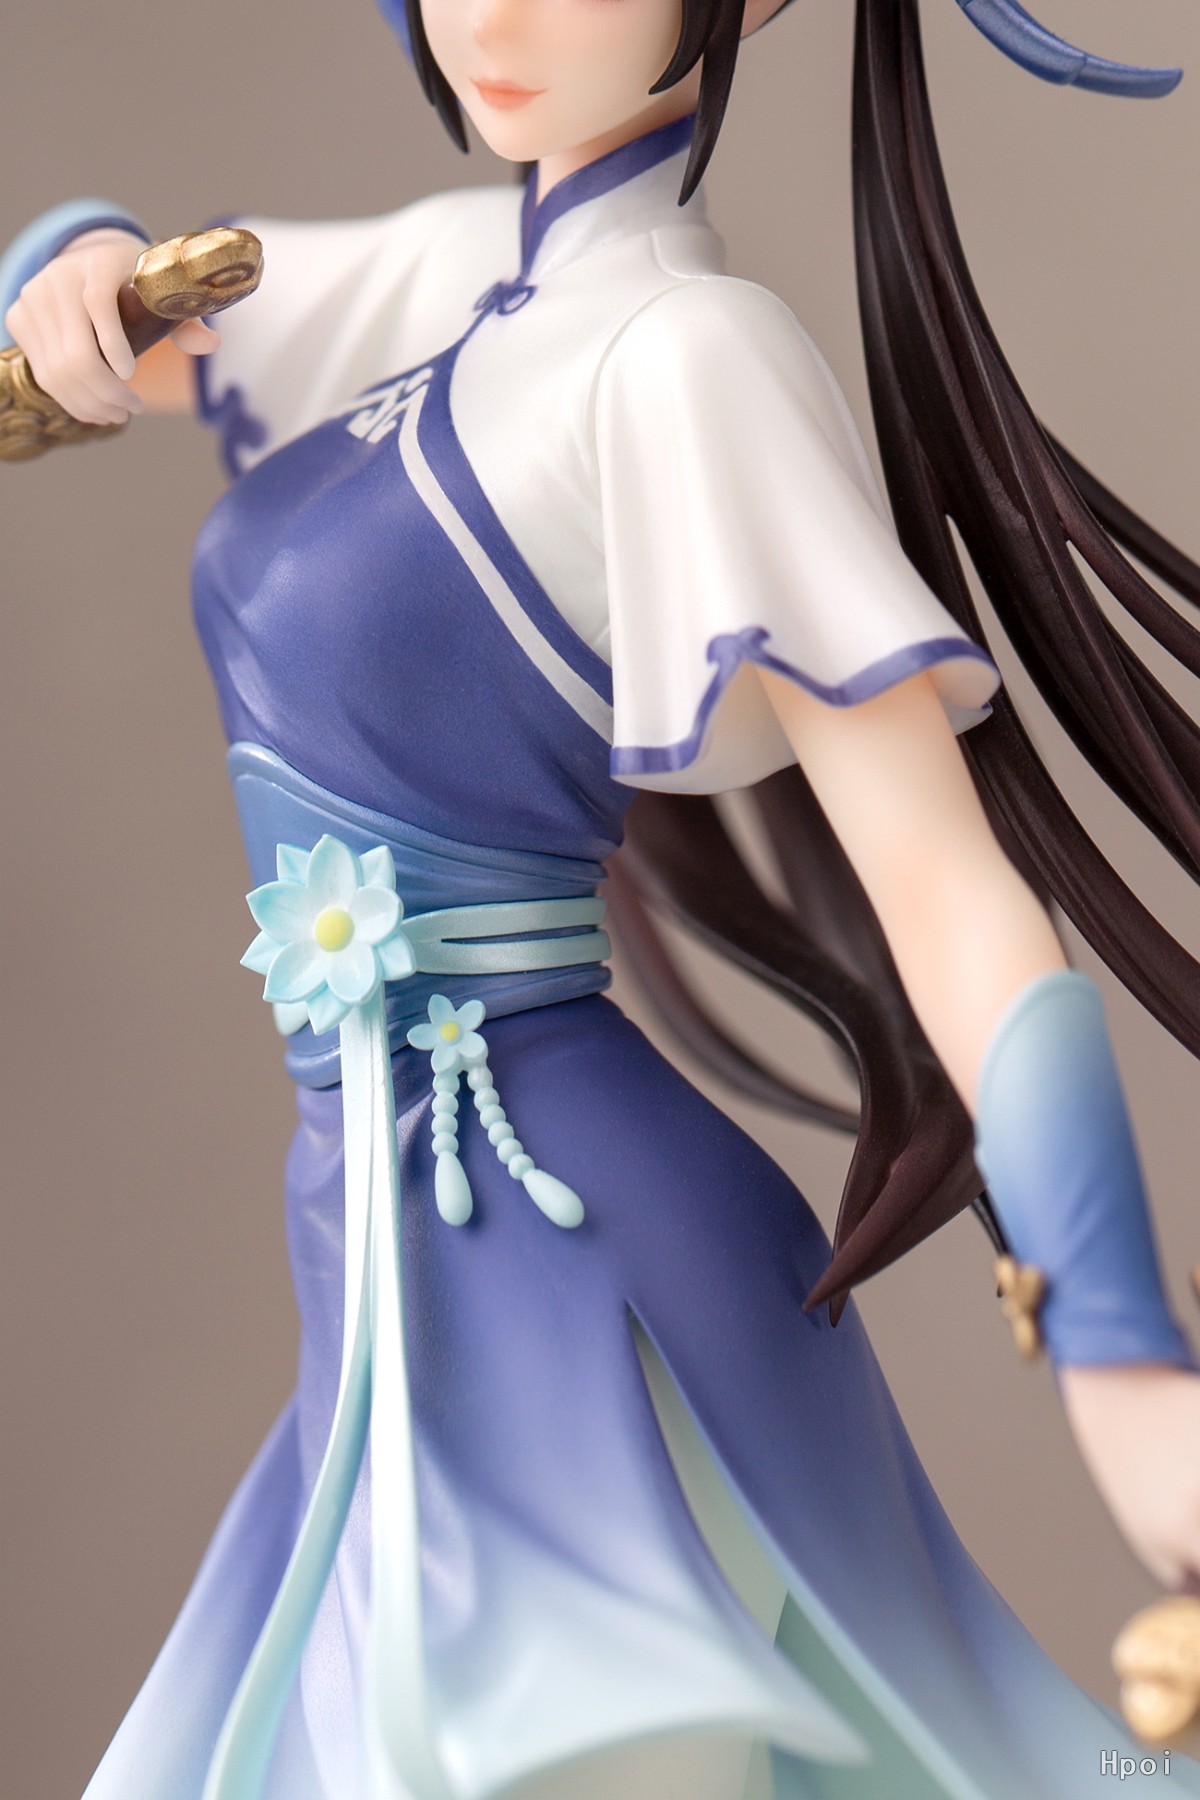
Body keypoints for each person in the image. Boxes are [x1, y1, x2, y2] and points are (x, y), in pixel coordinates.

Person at [4, 0, 1198, 1794]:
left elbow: (951, 893)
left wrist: (1126, 1366)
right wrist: (72, 269)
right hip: (382, 1249)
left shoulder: (686, 358)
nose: (492, 14)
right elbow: (110, 339)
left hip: (575, 1245)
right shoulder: (450, 280)